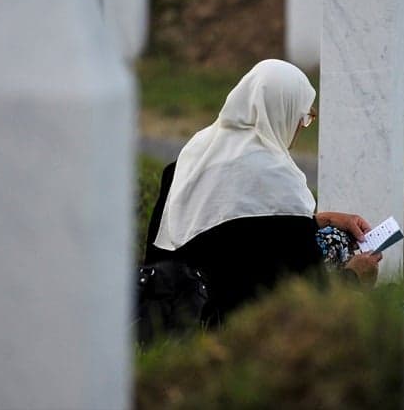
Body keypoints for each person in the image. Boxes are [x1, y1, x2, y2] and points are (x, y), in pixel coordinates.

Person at [144, 59, 382, 323]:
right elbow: (307, 292)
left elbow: (233, 236)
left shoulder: (193, 156)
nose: (300, 127)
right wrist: (354, 277)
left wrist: (316, 221)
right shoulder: (276, 178)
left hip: (169, 315)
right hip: (236, 329)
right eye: (303, 117)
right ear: (281, 112)